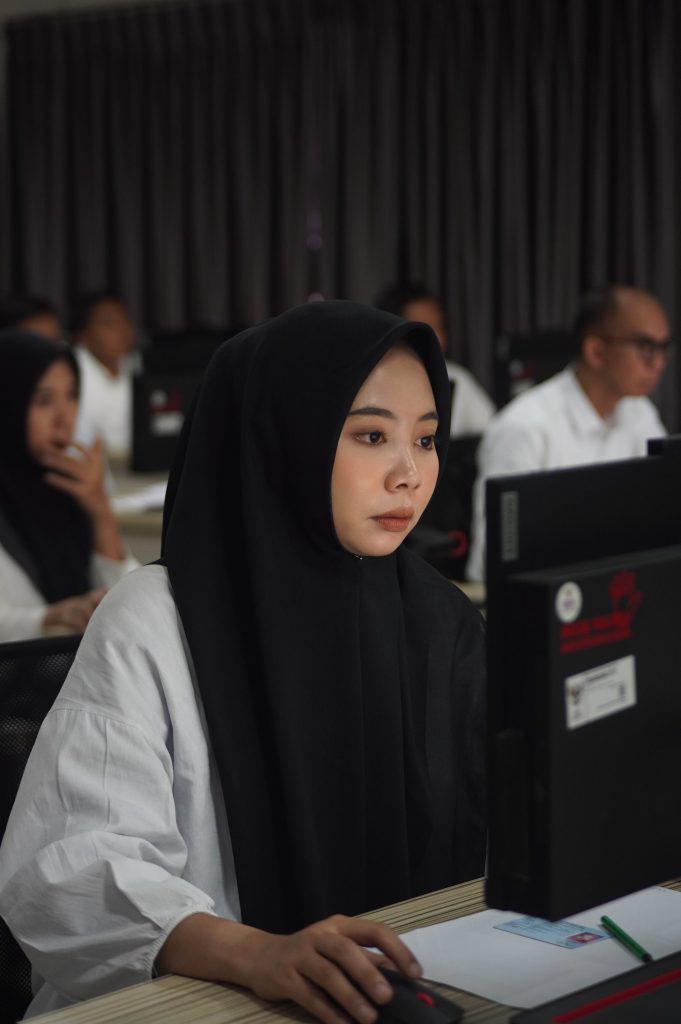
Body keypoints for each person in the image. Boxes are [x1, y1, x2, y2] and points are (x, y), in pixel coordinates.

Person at [0, 301, 486, 1020]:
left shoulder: (437, 616)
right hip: (191, 1001)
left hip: (391, 985)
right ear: (279, 438)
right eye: (371, 436)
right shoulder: (159, 616)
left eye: (426, 439)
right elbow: (68, 873)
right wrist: (257, 954)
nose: (410, 474)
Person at [467, 285, 669, 581]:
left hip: (612, 582)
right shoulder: (525, 427)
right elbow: (495, 554)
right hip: (535, 594)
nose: (659, 363)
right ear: (596, 351)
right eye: (646, 348)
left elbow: (661, 512)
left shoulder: (640, 413)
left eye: (664, 348)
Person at [0, 329, 138, 641]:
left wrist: (101, 514)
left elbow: (133, 609)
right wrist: (50, 618)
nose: (65, 418)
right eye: (44, 400)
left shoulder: (68, 488)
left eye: (72, 396)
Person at [375, 283, 495, 436]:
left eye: (439, 327)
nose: (437, 339)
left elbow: (491, 430)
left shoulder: (456, 376)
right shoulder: (372, 381)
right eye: (425, 329)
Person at [70, 290, 137, 460]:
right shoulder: (71, 371)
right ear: (83, 334)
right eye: (109, 324)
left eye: (125, 320)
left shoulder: (136, 363)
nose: (123, 330)